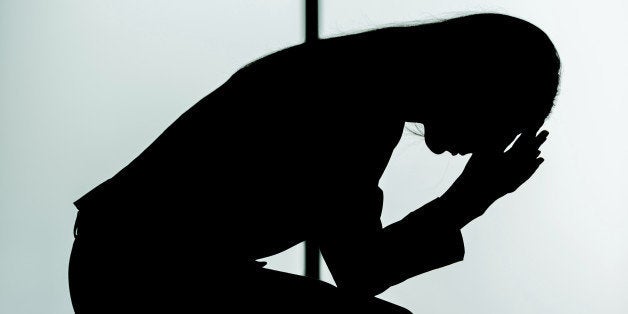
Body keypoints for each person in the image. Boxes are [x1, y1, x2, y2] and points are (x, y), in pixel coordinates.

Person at [68, 13, 560, 313]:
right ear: (480, 86)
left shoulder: (355, 82)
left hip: (136, 270)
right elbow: (363, 271)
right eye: (502, 125)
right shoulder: (357, 105)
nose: (482, 148)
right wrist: (466, 201)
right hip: (149, 278)